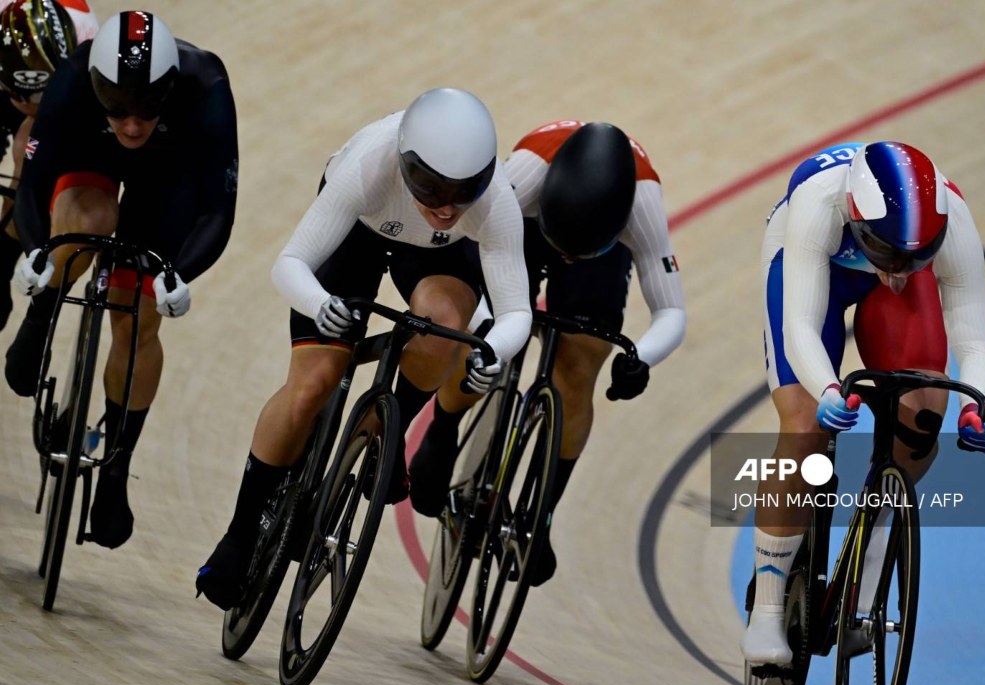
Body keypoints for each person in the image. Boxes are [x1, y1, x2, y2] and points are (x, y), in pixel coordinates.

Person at [195, 87, 532, 611]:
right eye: (430, 186)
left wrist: (492, 352)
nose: (445, 206)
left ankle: (387, 430)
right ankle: (239, 535)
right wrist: (319, 302)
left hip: (438, 260)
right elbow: (291, 264)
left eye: (462, 191)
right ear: (404, 163)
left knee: (445, 326)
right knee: (312, 383)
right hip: (359, 233)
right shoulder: (368, 166)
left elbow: (516, 313)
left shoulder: (494, 201)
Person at [740, 141, 985, 665]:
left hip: (884, 272)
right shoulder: (818, 202)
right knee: (803, 428)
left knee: (924, 414)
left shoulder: (952, 223)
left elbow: (974, 341)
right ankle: (767, 613)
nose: (900, 271)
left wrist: (978, 407)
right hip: (820, 269)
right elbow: (800, 329)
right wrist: (829, 390)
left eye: (917, 258)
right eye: (891, 257)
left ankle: (871, 556)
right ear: (858, 221)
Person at [408, 119, 686, 587]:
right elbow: (467, 251)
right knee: (489, 335)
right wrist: (486, 331)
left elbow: (671, 310)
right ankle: (443, 429)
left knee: (579, 367)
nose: (570, 258)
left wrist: (641, 357)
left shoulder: (642, 205)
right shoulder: (522, 178)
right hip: (527, 226)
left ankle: (541, 515)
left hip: (602, 245)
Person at [5, 10, 238, 550]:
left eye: (147, 109)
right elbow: (35, 183)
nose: (132, 124)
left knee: (137, 320)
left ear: (170, 91)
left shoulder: (207, 85)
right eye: (118, 108)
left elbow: (217, 211)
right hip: (94, 158)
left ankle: (115, 467)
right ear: (96, 88)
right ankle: (44, 313)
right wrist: (40, 253)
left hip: (170, 178)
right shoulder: (74, 75)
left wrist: (181, 274)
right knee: (86, 225)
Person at [0, 0, 98, 329]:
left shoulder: (86, 44)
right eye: (23, 99)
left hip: (63, 88)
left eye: (38, 98)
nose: (31, 106)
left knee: (27, 154)